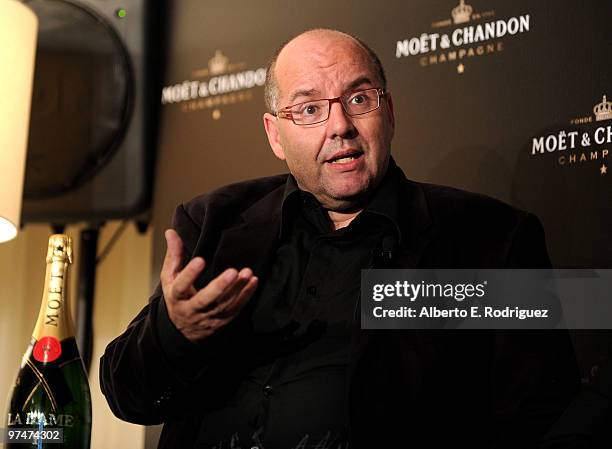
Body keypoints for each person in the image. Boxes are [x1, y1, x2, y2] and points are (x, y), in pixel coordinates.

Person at [100, 29, 580, 449]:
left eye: (358, 99)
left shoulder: (490, 239)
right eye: (309, 108)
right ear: (275, 134)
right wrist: (175, 334)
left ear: (388, 112)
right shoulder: (215, 223)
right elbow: (127, 397)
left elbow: (541, 419)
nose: (340, 126)